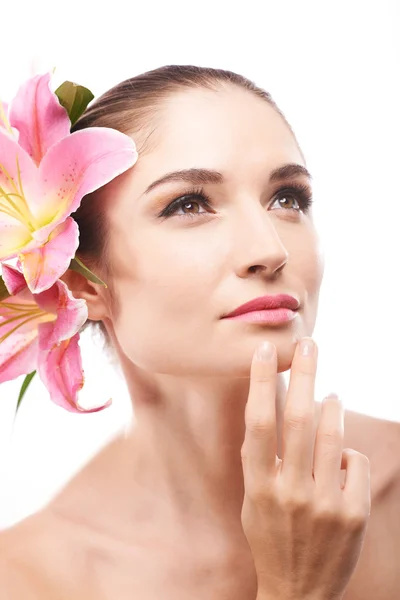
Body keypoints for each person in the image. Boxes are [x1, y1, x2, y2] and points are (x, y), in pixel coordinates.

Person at [0, 64, 399, 599]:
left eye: (288, 198)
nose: (270, 250)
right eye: (189, 203)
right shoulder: (33, 579)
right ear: (78, 281)